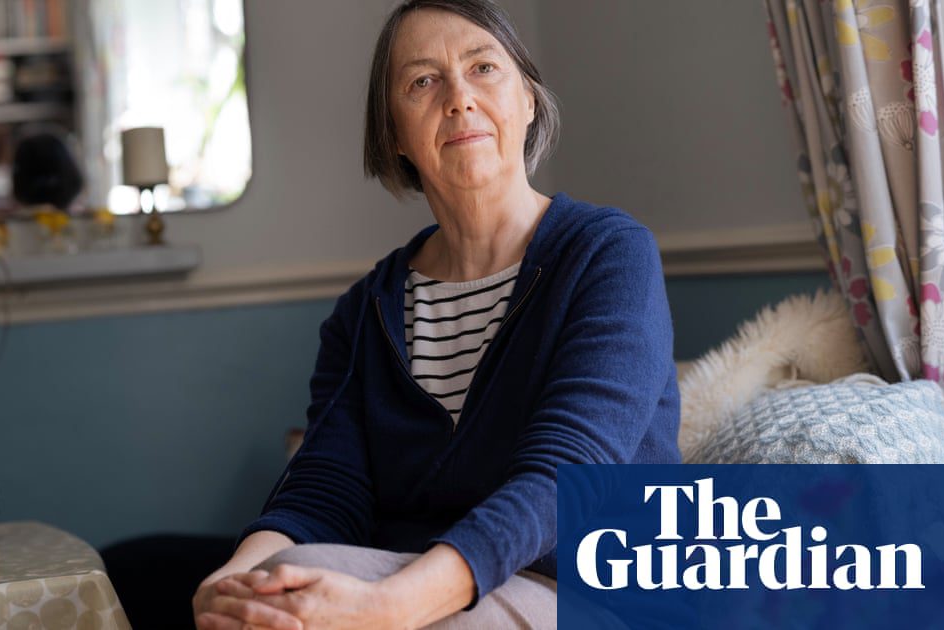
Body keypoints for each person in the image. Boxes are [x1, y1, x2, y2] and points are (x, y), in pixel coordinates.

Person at [193, 0, 680, 627]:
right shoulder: (364, 313)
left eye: (483, 68)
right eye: (423, 81)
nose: (458, 99)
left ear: (529, 99)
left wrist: (392, 606)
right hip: (417, 582)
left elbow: (569, 475)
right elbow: (322, 492)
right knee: (269, 593)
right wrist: (232, 579)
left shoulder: (608, 255)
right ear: (394, 134)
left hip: (595, 593)